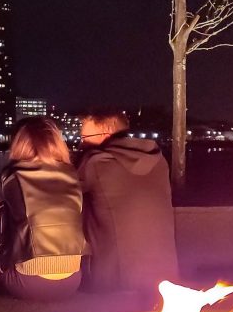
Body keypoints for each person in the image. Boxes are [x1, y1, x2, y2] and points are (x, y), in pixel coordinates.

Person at [0, 117, 88, 301]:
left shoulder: (13, 175)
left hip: (30, 283)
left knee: (0, 206)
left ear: (19, 143)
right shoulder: (72, 175)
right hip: (72, 280)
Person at [76, 111, 179, 294]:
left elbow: (61, 191)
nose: (80, 143)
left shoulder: (95, 162)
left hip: (114, 281)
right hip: (164, 277)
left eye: (85, 137)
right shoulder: (159, 160)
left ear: (106, 132)